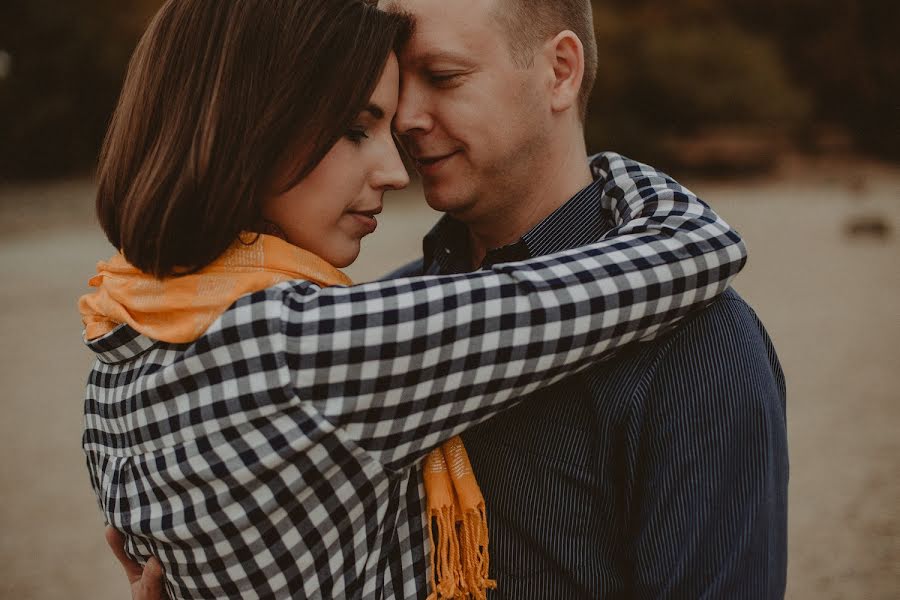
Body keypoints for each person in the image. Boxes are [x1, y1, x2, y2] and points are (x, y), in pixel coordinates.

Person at [87, 1, 748, 599]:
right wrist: (615, 177)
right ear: (247, 124)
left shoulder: (118, 348)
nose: (399, 153)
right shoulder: (324, 342)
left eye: (444, 76)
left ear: (561, 70)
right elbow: (699, 247)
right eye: (356, 128)